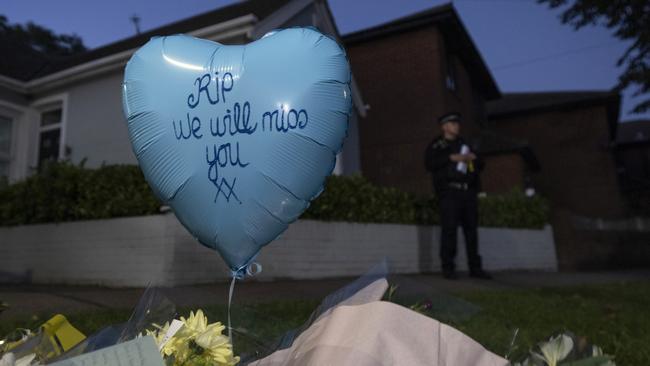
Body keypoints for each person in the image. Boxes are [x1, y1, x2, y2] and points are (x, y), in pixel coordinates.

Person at [424, 112, 492, 280]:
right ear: (444, 126)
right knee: (449, 230)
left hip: (468, 192)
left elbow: (480, 163)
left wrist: (473, 158)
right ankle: (448, 268)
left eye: (457, 123)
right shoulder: (437, 145)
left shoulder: (465, 144)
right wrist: (451, 157)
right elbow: (429, 163)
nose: (457, 126)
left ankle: (475, 268)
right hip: (449, 193)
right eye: (453, 124)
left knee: (471, 231)